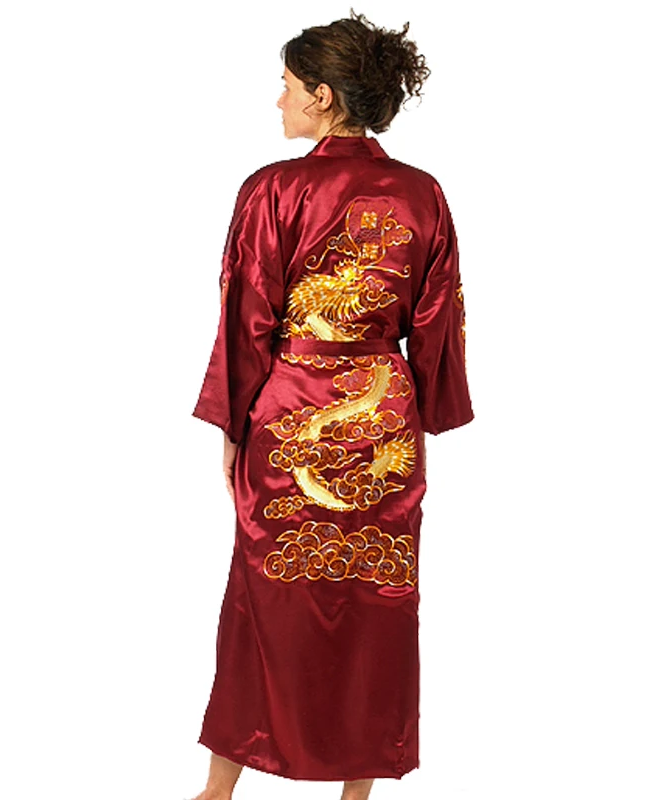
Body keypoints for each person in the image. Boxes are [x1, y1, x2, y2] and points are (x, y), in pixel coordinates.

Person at [188, 11, 474, 800]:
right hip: (384, 422)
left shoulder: (273, 189)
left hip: (290, 413)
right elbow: (439, 314)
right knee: (378, 601)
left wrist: (233, 422)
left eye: (286, 86)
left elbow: (246, 313)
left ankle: (217, 791)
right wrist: (434, 404)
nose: (277, 100)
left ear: (322, 94)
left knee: (263, 595)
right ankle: (356, 794)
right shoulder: (422, 193)